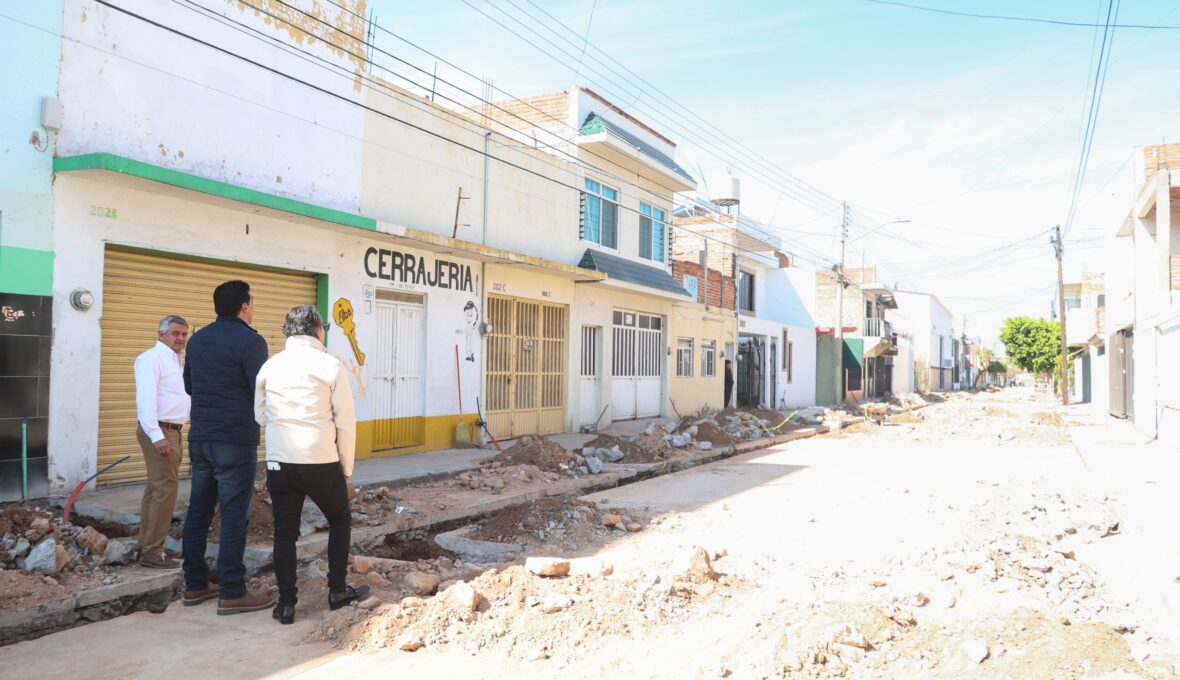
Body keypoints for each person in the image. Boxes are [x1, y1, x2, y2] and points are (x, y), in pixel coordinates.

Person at [255, 304, 368, 625]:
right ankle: (336, 591)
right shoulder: (330, 366)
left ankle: (287, 605)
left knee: (284, 533)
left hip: (280, 461)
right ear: (318, 332)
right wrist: (346, 466)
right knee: (340, 519)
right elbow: (345, 421)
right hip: (320, 460)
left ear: (287, 333)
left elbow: (259, 415)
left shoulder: (269, 366)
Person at [181, 280, 275, 615]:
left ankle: (194, 585)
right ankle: (233, 590)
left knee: (198, 512)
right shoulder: (251, 341)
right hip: (234, 440)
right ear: (245, 306)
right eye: (252, 302)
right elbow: (260, 390)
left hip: (201, 437)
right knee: (234, 515)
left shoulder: (197, 340)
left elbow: (189, 385)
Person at [132, 315, 191, 569]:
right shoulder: (151, 359)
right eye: (175, 333)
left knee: (155, 490)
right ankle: (152, 552)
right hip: (160, 432)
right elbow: (146, 400)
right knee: (166, 490)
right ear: (161, 334)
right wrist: (157, 436)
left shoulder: (176, 360)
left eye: (183, 334)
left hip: (173, 431)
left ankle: (147, 546)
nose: (180, 338)